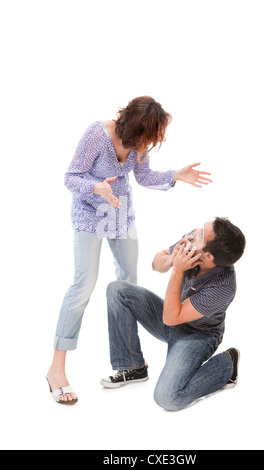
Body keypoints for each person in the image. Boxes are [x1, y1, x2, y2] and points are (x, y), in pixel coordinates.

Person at [46, 96, 212, 405]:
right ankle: (56, 369)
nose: (151, 144)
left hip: (122, 217)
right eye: (151, 136)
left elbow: (143, 176)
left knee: (128, 285)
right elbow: (70, 177)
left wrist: (175, 175)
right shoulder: (97, 134)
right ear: (136, 128)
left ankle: (131, 362)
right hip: (90, 217)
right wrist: (97, 187)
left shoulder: (140, 146)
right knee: (83, 286)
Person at [100, 217, 246, 411]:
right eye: (201, 228)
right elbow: (156, 264)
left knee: (167, 398)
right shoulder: (193, 242)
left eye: (201, 233)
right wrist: (171, 259)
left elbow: (171, 318)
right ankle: (134, 367)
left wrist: (178, 270)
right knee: (118, 289)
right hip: (173, 317)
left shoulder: (223, 287)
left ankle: (227, 364)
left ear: (209, 257)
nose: (195, 231)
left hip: (199, 336)